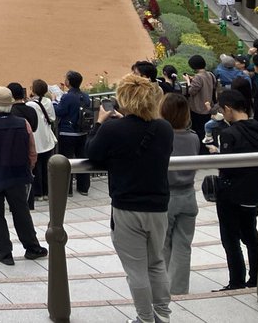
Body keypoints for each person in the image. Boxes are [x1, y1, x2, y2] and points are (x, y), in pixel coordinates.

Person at [85, 73, 173, 323]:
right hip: (158, 206)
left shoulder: (113, 128)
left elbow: (92, 153)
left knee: (136, 269)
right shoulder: (164, 128)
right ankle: (163, 316)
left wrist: (101, 123)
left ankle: (145, 319)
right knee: (156, 263)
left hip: (127, 206)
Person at [0, 86, 47, 266]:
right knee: (21, 212)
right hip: (17, 176)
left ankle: (4, 252)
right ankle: (32, 247)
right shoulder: (23, 123)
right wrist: (26, 168)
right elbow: (32, 153)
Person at [211, 88, 258, 291]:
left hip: (231, 194)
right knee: (251, 236)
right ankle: (256, 278)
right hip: (255, 193)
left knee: (230, 238)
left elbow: (227, 168)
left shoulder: (228, 133)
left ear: (228, 109)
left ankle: (236, 281)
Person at [161, 91, 201, 295]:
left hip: (167, 197)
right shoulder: (193, 137)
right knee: (184, 246)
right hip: (188, 196)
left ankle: (163, 288)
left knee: (163, 245)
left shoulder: (162, 138)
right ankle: (179, 289)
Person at [56, 70, 92, 195]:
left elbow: (59, 111)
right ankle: (83, 188)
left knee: (66, 161)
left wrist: (54, 102)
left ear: (69, 82)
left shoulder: (67, 97)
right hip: (82, 132)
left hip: (68, 133)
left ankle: (68, 189)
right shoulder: (85, 96)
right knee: (82, 160)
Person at [28, 79, 58, 202]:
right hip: (46, 139)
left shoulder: (30, 105)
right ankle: (47, 192)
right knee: (46, 167)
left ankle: (38, 193)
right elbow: (52, 118)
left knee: (36, 167)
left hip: (36, 139)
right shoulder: (48, 102)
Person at [182, 54, 217, 137]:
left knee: (199, 131)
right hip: (209, 107)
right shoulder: (210, 74)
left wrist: (188, 81)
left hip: (198, 109)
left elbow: (191, 91)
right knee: (207, 130)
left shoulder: (198, 77)